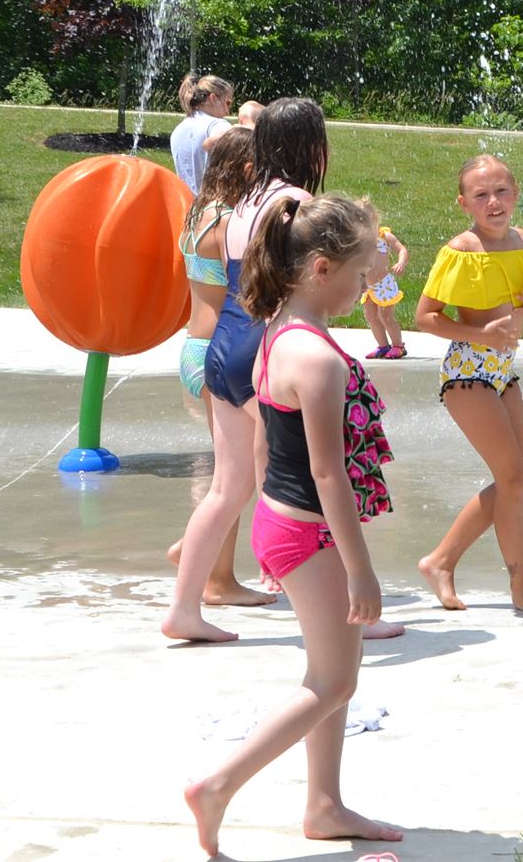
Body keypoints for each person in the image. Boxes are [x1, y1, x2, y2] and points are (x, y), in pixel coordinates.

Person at [182, 191, 402, 858]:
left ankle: (324, 803)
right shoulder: (317, 359)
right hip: (310, 529)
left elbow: (261, 443)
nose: (365, 286)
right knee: (335, 681)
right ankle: (218, 785)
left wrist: (266, 534)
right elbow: (328, 474)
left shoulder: (277, 330)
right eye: (360, 273)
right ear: (322, 269)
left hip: (285, 522)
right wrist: (362, 571)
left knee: (333, 667)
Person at [162, 96, 328, 644]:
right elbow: (316, 281)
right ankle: (346, 610)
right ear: (310, 146)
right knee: (316, 480)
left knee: (227, 490)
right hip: (270, 351)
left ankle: (183, 608)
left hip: (224, 348)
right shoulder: (297, 203)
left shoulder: (240, 206)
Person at [412, 154, 523, 617]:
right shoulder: (462, 250)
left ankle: (440, 561)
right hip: (467, 372)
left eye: (501, 191)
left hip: (503, 372)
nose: (493, 201)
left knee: (516, 480)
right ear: (464, 203)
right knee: (513, 478)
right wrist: (481, 334)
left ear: (515, 193)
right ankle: (521, 586)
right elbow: (425, 317)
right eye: (481, 195)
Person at [165, 126, 272, 612]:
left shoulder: (198, 213)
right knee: (234, 479)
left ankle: (193, 549)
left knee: (234, 474)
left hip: (196, 346)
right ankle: (218, 580)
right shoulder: (228, 222)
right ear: (248, 170)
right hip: (219, 349)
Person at [169, 73, 236, 195]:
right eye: (227, 103)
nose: (227, 111)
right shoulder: (217, 125)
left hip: (186, 203)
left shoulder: (178, 130)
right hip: (213, 203)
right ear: (213, 98)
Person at [361, 224, 410, 360]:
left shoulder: (384, 236)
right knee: (370, 316)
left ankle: (398, 346)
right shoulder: (359, 238)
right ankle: (383, 346)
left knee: (385, 316)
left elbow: (402, 250)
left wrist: (401, 263)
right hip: (369, 286)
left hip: (384, 285)